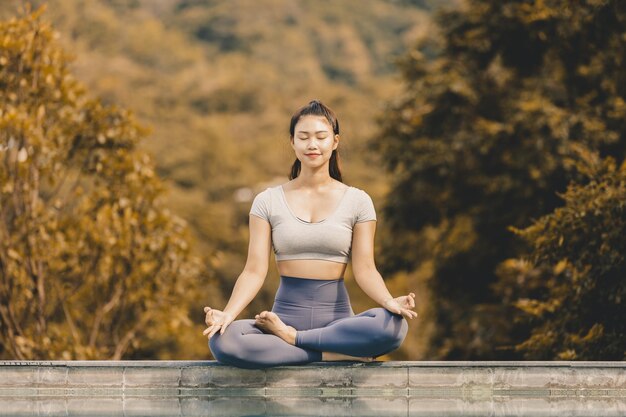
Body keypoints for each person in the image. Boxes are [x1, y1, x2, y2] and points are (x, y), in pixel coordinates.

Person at [203, 99, 417, 369]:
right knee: (224, 341)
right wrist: (227, 314)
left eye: (320, 137)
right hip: (282, 319)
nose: (312, 144)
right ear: (292, 142)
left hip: (338, 324)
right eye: (303, 137)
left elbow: (365, 269)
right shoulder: (267, 201)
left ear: (335, 141)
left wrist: (389, 301)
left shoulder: (358, 201)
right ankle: (329, 354)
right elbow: (254, 271)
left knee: (393, 327)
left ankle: (296, 340)